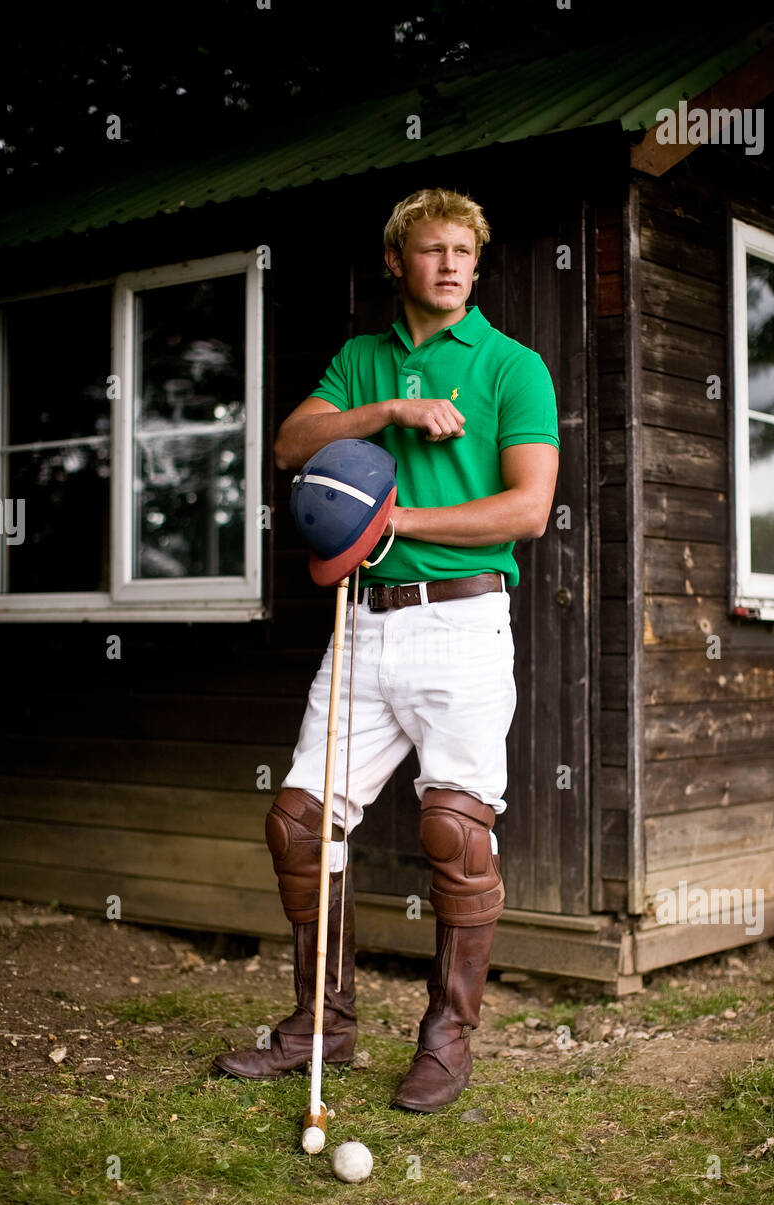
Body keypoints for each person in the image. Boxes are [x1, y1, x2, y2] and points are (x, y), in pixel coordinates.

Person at [214, 187, 559, 1113]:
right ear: (397, 262)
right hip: (361, 620)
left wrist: (396, 518)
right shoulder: (363, 360)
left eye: (463, 251)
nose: (449, 264)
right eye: (430, 250)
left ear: (477, 265)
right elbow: (292, 444)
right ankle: (321, 1025)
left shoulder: (512, 366)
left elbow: (526, 509)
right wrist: (390, 414)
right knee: (299, 822)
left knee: (454, 828)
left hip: (464, 621)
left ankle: (448, 1038)